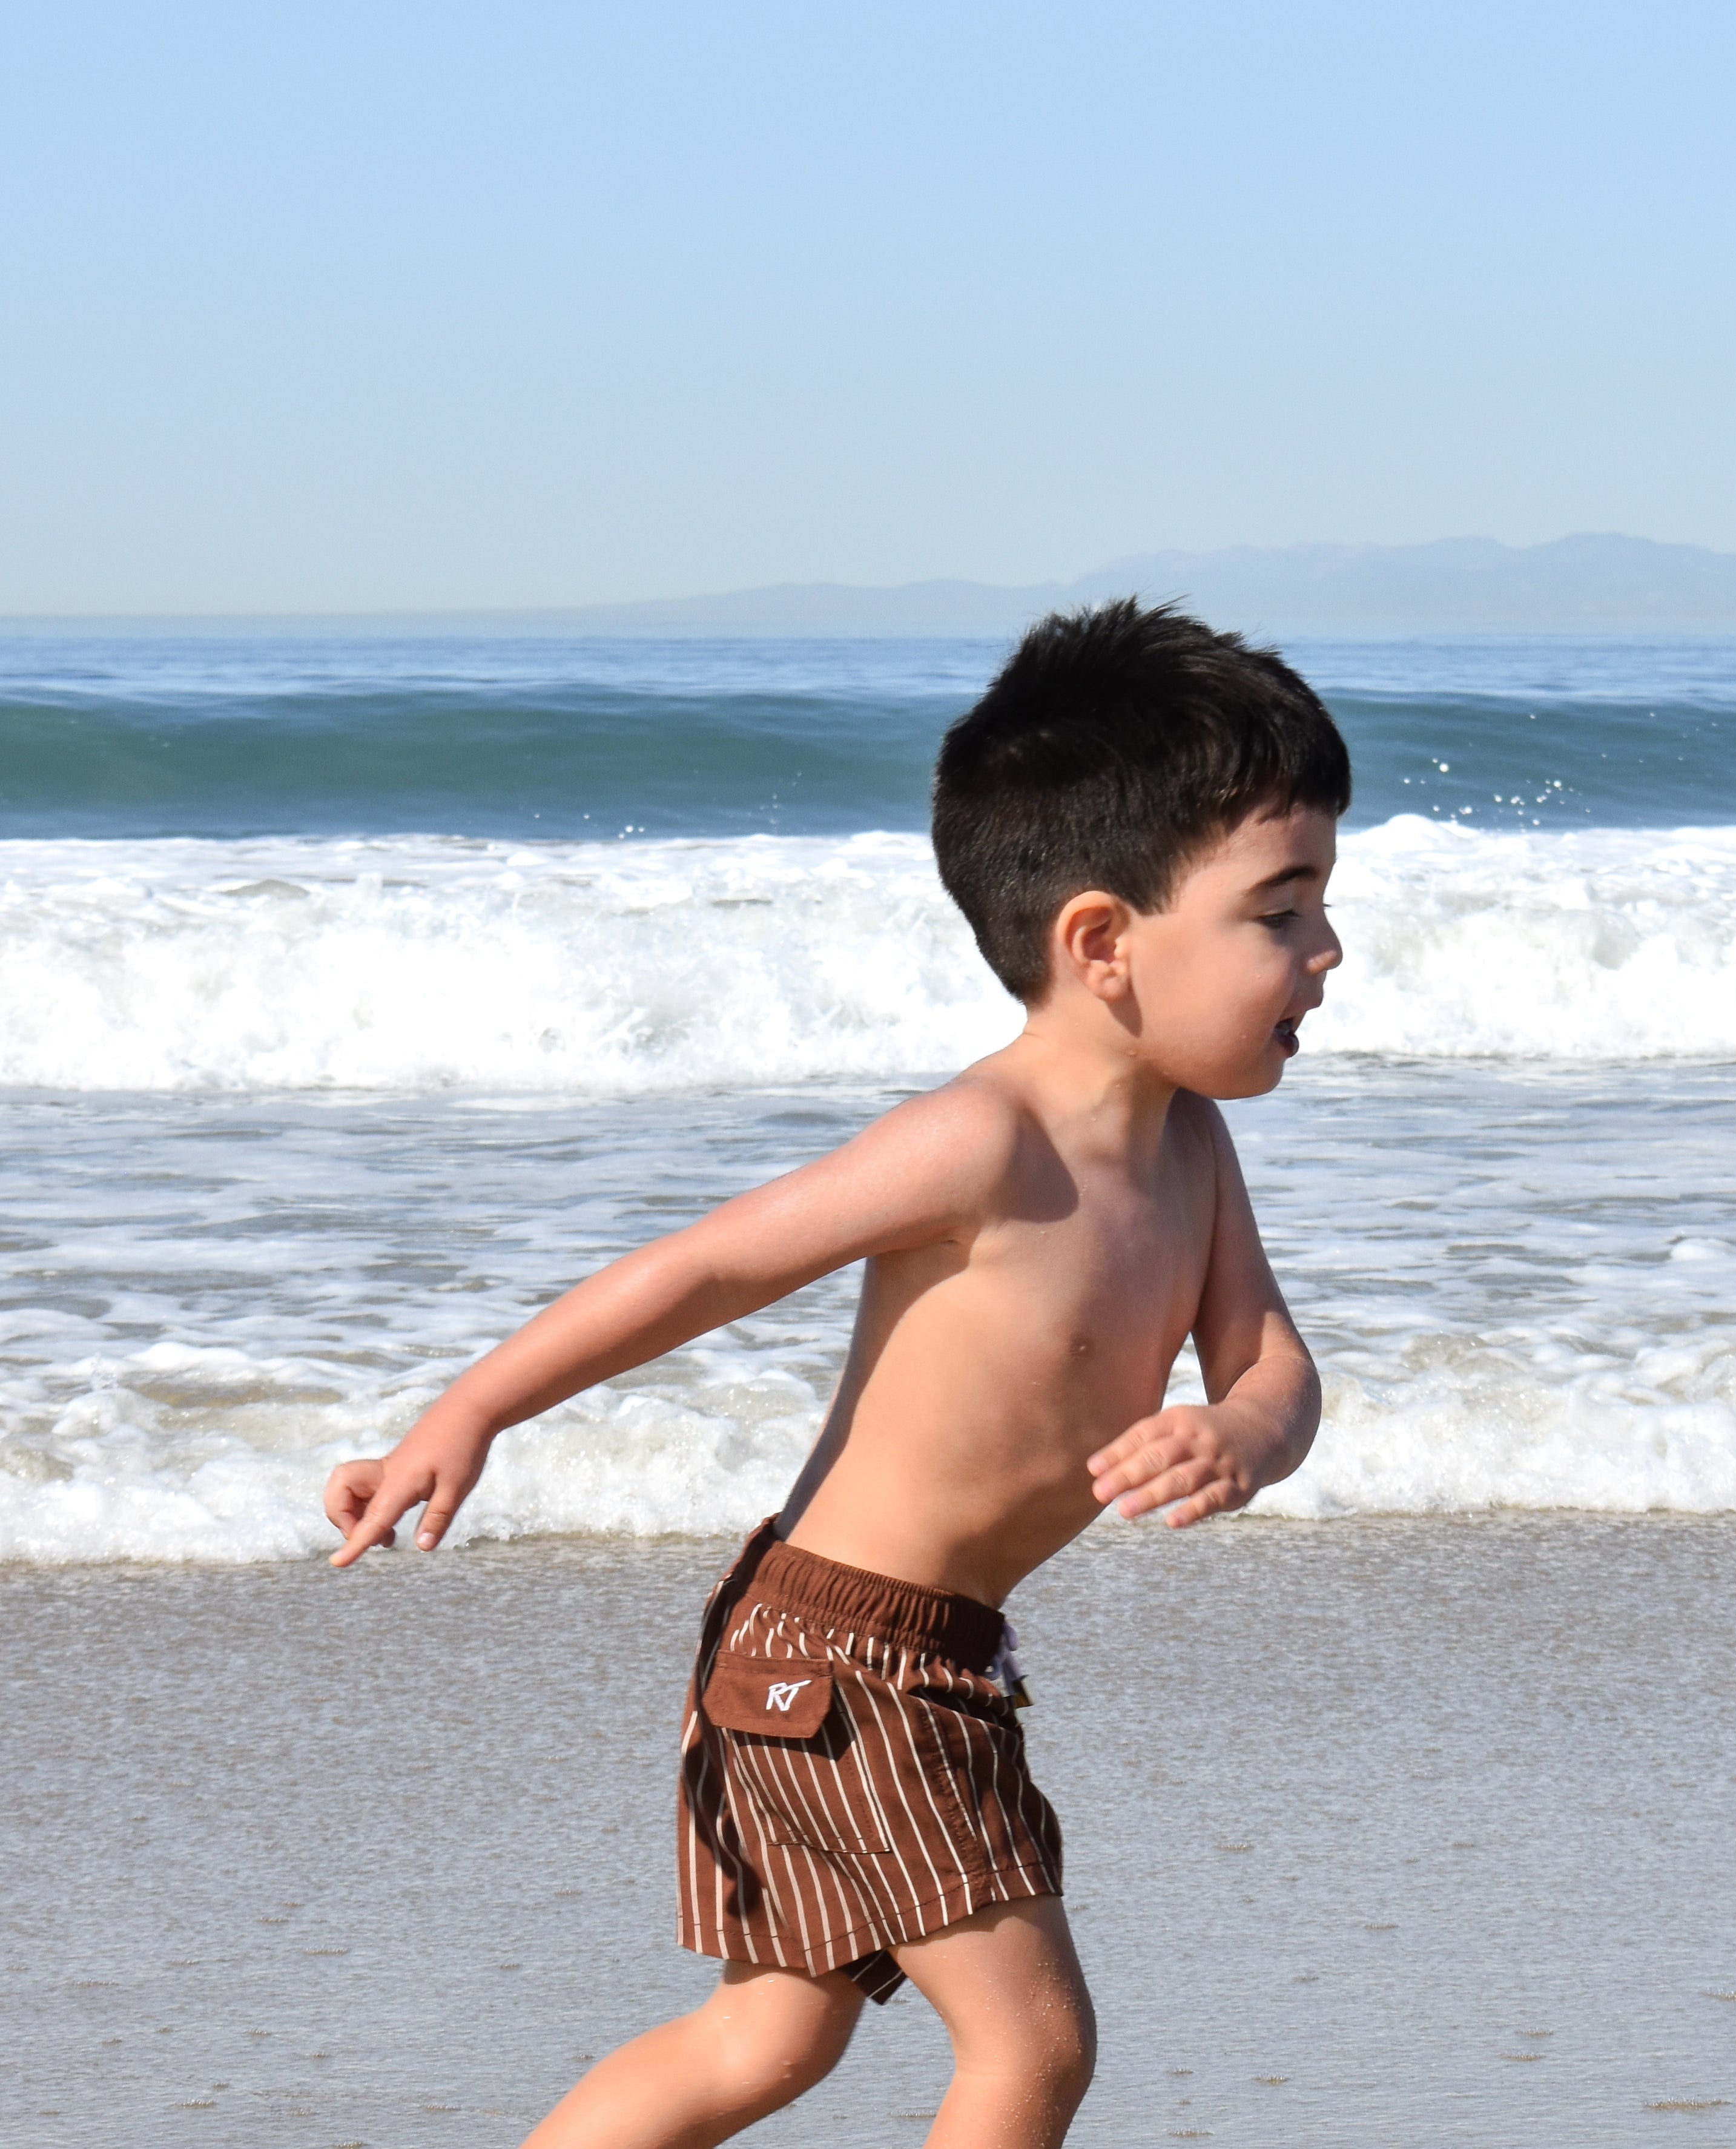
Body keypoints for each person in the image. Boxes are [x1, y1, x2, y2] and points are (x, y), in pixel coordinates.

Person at [323, 599, 1350, 2149]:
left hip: (908, 1654)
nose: (1325, 947)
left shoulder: (1191, 1149)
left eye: (1321, 904)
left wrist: (1242, 1433)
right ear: (1100, 942)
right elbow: (705, 1266)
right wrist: (469, 1410)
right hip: (841, 1660)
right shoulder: (980, 1141)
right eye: (1280, 909)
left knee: (765, 2036)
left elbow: (1268, 1354)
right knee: (1034, 2046)